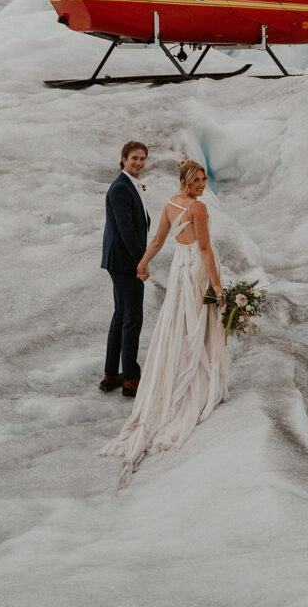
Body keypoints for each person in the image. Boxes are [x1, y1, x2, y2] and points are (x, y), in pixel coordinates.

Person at [100, 159, 229, 486]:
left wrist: (143, 264)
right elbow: (204, 248)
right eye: (197, 180)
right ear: (186, 181)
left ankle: (172, 375)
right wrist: (217, 285)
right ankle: (193, 382)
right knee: (194, 324)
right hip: (195, 269)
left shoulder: (171, 204)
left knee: (178, 325)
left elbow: (157, 241)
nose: (202, 184)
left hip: (177, 271)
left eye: (204, 180)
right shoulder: (197, 209)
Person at [100, 141, 151, 398]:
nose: (139, 163)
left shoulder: (130, 184)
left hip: (119, 260)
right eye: (134, 158)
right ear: (123, 159)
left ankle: (111, 375)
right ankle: (131, 378)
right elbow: (126, 229)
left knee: (121, 316)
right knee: (132, 318)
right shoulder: (120, 187)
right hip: (124, 262)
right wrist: (141, 261)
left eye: (142, 158)